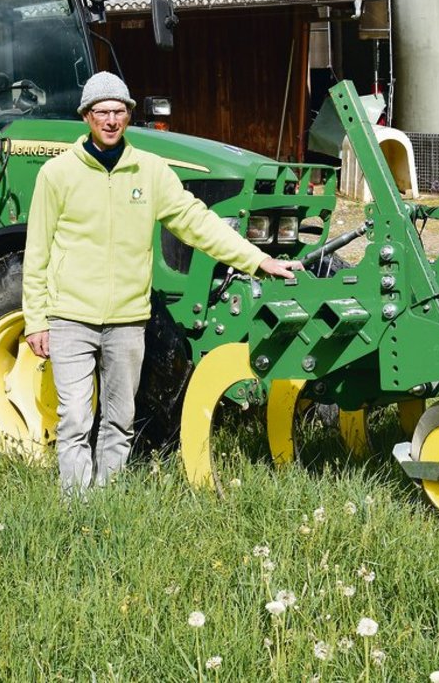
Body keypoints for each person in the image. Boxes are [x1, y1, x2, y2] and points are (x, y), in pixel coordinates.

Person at [22, 71, 301, 494]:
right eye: (102, 112)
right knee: (75, 418)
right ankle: (75, 506)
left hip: (128, 319)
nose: (111, 120)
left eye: (119, 111)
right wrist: (36, 319)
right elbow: (37, 250)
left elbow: (197, 222)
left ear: (129, 115)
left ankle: (108, 499)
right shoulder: (57, 174)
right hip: (70, 316)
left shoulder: (150, 171)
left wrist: (257, 259)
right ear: (86, 116)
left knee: (120, 420)